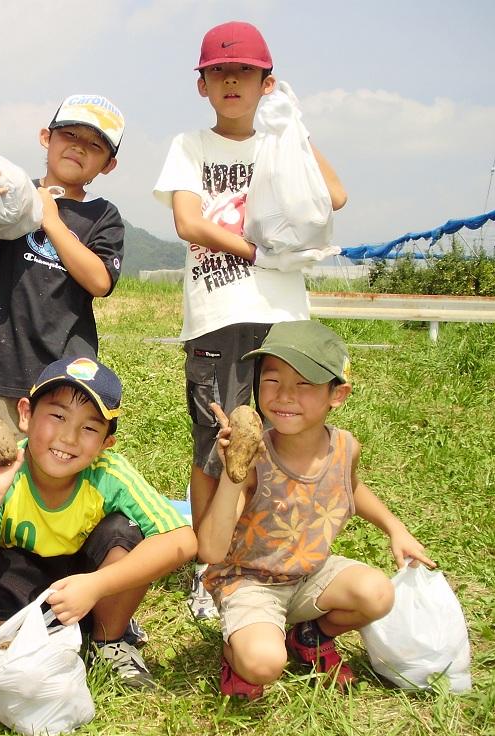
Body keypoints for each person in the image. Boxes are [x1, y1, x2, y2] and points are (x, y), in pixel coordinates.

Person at [151, 20, 348, 617]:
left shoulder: (279, 143)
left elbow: (333, 196)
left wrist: (291, 124)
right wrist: (259, 252)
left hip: (283, 320)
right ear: (203, 85)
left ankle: (265, 554)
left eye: (246, 73)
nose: (231, 80)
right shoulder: (191, 146)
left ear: (267, 82)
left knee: (284, 439)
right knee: (217, 441)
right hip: (218, 315)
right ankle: (211, 567)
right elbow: (189, 222)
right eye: (219, 72)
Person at [196, 320, 435, 700]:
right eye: (272, 380)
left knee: (377, 593)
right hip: (250, 581)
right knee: (262, 664)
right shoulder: (256, 457)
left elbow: (352, 487)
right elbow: (210, 551)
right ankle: (236, 652)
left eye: (304, 383)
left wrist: (395, 528)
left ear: (337, 395)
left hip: (308, 573)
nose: (285, 395)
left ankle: (310, 635)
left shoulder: (345, 447)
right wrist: (233, 472)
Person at [0, 355, 197, 689]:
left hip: (85, 583)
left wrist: (97, 586)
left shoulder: (108, 472)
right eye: (57, 416)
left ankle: (110, 640)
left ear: (106, 444)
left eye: (89, 427)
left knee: (124, 532)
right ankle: (31, 642)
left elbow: (182, 539)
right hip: (21, 588)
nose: (68, 437)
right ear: (26, 415)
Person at [0, 95, 126, 442]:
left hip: (66, 377)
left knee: (57, 468)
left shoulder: (104, 216)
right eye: (70, 136)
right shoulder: (14, 194)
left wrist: (50, 219)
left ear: (108, 164)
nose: (79, 149)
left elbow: (99, 280)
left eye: (94, 145)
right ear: (46, 138)